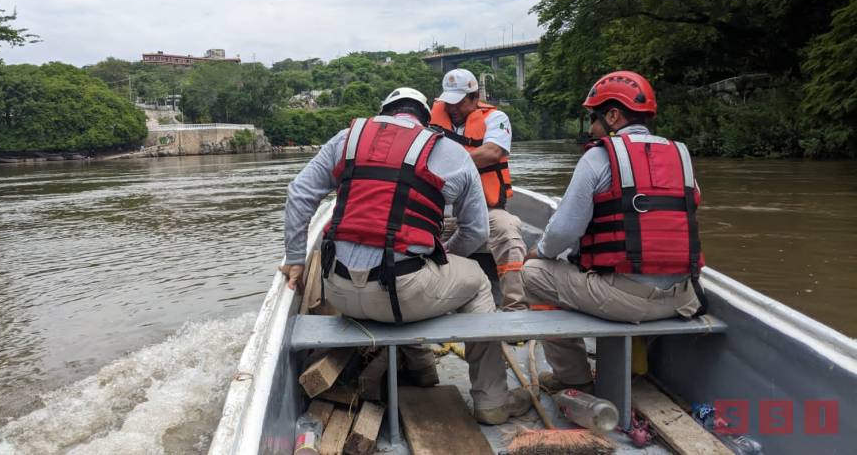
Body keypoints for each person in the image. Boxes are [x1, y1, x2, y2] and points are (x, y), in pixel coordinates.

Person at [280, 87, 531, 424]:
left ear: (384, 111)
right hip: (402, 296)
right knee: (475, 281)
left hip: (338, 291)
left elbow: (298, 194)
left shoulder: (347, 138)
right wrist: (440, 262)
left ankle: (422, 368)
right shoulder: (451, 152)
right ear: (427, 119)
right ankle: (492, 402)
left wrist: (296, 258)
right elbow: (476, 232)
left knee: (410, 275)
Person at [522, 71, 706, 394]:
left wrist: (541, 251)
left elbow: (564, 230)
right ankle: (638, 366)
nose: (591, 128)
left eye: (594, 118)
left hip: (626, 301)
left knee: (533, 272)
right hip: (683, 297)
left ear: (613, 116)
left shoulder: (599, 156)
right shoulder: (681, 155)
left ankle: (572, 376)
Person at [429, 69, 527, 311]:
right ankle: (427, 306)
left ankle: (515, 308)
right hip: (440, 212)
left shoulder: (496, 118)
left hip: (485, 210)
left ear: (475, 98)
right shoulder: (429, 120)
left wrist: (446, 165)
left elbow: (492, 152)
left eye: (459, 102)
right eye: (448, 102)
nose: (451, 108)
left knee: (508, 231)